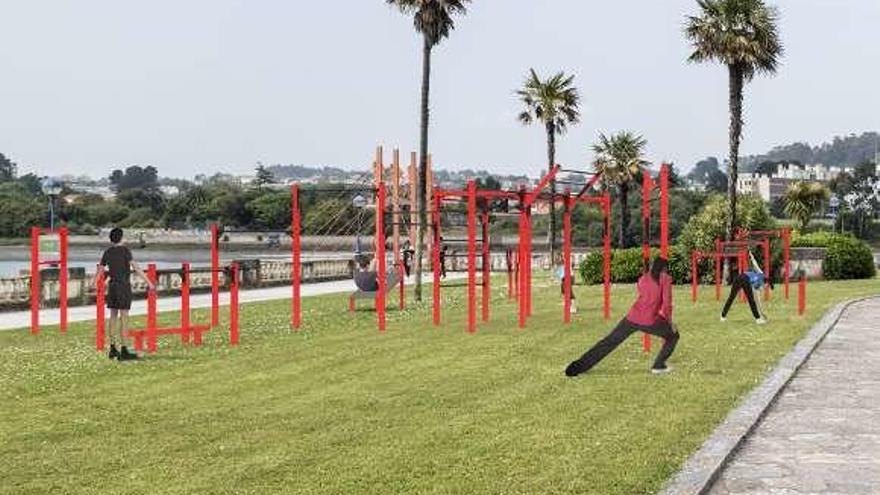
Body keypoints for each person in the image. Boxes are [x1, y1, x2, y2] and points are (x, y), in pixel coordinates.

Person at [565, 257, 679, 376]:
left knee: (609, 341)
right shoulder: (665, 279)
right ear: (664, 268)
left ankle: (577, 367)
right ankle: (658, 365)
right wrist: (670, 324)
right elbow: (666, 305)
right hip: (649, 320)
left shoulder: (643, 278)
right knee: (673, 336)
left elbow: (644, 294)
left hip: (632, 317)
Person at [96, 227, 154, 361]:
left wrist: (94, 283)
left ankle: (112, 348)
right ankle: (124, 350)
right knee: (124, 318)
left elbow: (100, 269)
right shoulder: (125, 251)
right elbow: (136, 268)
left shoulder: (108, 252)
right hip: (123, 286)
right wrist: (149, 282)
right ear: (121, 238)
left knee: (112, 317)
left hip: (112, 287)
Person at [720, 252, 768, 324]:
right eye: (765, 286)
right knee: (751, 300)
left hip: (739, 277)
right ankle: (758, 319)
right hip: (746, 279)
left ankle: (722, 317)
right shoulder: (759, 281)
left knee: (731, 297)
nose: (764, 288)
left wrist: (752, 256)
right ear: (765, 283)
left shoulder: (760, 274)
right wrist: (762, 313)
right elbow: (757, 301)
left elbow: (755, 264)